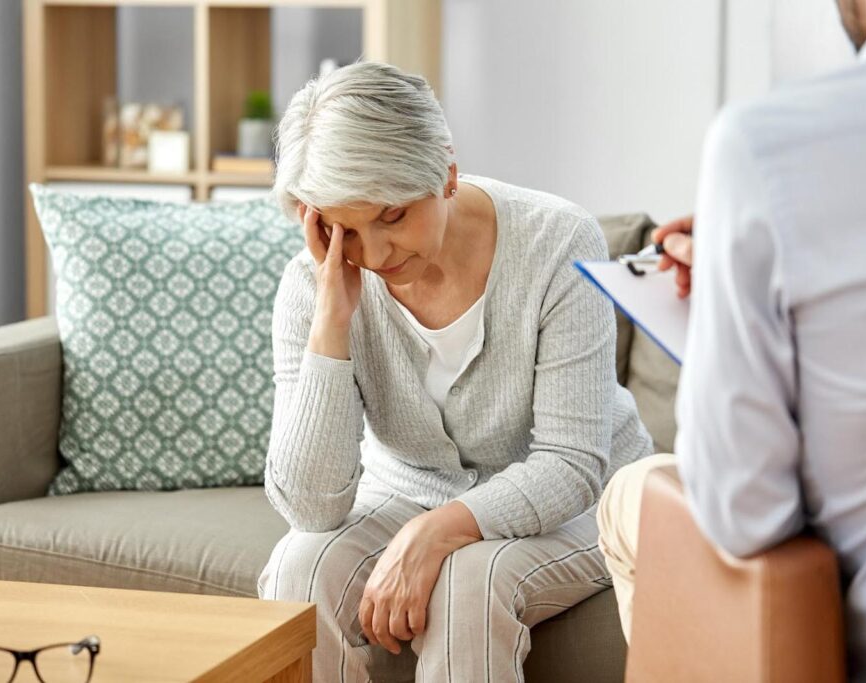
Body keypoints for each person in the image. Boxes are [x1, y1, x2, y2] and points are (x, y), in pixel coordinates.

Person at [257, 61, 653, 681]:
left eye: (392, 216)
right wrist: (331, 322)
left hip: (582, 500)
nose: (376, 254)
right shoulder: (316, 283)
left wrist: (435, 533)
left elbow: (572, 463)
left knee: (471, 578)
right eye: (344, 229)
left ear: (445, 175)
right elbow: (310, 506)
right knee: (297, 568)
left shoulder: (558, 241)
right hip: (408, 491)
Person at [597, 0, 866, 677]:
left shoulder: (770, 147)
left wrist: (736, 300)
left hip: (848, 637)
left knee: (626, 496)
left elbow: (743, 510)